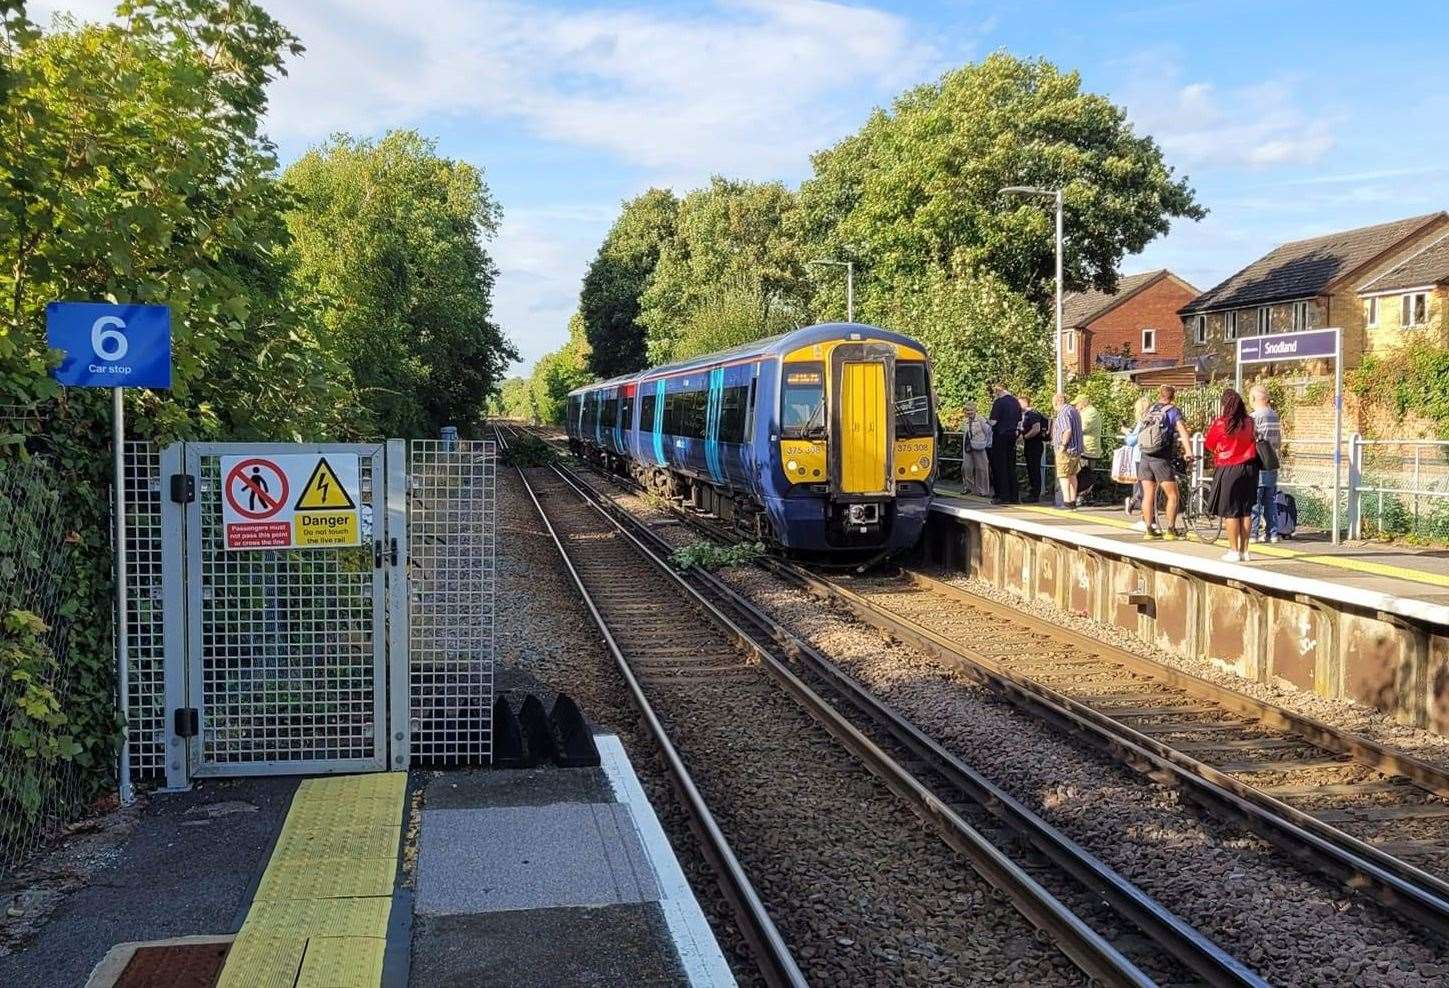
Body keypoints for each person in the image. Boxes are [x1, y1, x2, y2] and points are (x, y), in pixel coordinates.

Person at [1204, 388, 1261, 562]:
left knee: (1231, 511)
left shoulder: (1221, 423)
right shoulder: (1249, 422)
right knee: (1246, 510)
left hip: (1229, 468)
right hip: (1250, 468)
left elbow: (1209, 444)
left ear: (1225, 405)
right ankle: (1245, 551)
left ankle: (1233, 550)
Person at [1137, 384, 1194, 541]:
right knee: (1173, 495)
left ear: (1159, 395)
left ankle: (1149, 529)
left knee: (1148, 494)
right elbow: (1182, 430)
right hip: (1161, 458)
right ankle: (1170, 529)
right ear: (1173, 397)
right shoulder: (1173, 411)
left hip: (1145, 456)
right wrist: (1188, 451)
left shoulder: (1150, 409)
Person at [1250, 384, 1283, 543]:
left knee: (1254, 500)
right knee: (1270, 499)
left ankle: (1253, 533)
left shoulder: (1254, 417)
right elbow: (1278, 441)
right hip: (1272, 461)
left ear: (1254, 399)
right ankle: (1273, 533)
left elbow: (1251, 439)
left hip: (1258, 462)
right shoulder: (1274, 415)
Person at [1119, 394, 1153, 531]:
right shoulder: (1152, 420)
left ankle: (1141, 514)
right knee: (1148, 489)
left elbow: (1132, 441)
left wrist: (1126, 433)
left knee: (1142, 488)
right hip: (1151, 455)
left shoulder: (1141, 422)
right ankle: (1145, 516)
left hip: (1139, 457)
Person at [987, 382, 1021, 505]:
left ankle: (1003, 495)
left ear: (998, 391)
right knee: (1011, 465)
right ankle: (1014, 496)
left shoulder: (999, 403)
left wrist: (987, 421)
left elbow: (993, 422)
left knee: (1000, 466)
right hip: (1012, 436)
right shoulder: (1016, 402)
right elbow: (1019, 421)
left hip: (1000, 436)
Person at [1051, 392, 1083, 509]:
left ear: (1056, 403)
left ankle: (1067, 502)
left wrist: (1062, 446)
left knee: (1063, 476)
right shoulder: (1073, 411)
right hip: (1076, 449)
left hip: (1067, 450)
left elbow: (1067, 430)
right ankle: (1073, 501)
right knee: (1072, 475)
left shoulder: (1064, 413)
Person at [1018, 396, 1048, 502]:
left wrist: (1025, 437)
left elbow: (1036, 428)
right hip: (1031, 445)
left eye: (1019, 402)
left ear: (1025, 403)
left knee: (1034, 469)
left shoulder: (1032, 414)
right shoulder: (1028, 415)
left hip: (1034, 445)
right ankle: (1033, 492)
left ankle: (1035, 494)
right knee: (1032, 469)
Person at [1074, 393, 1103, 500]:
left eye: (1076, 404)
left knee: (1084, 474)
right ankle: (1082, 495)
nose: (1076, 407)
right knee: (1083, 473)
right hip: (1086, 447)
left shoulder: (1090, 413)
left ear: (1082, 403)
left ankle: (1082, 496)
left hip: (1088, 449)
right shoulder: (1088, 412)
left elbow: (1082, 428)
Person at [961, 403, 993, 497]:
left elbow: (988, 431)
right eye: (967, 410)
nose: (969, 412)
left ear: (975, 410)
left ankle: (983, 490)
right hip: (968, 446)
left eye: (971, 410)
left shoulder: (981, 419)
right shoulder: (965, 421)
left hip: (979, 445)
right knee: (966, 467)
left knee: (981, 468)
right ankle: (969, 488)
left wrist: (986, 442)